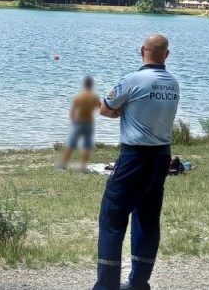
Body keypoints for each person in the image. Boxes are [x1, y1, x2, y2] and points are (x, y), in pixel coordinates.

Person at [93, 34, 180, 290]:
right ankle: (139, 282)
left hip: (134, 157)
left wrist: (121, 109)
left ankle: (107, 285)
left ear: (142, 51)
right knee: (147, 219)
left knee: (112, 218)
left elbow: (105, 108)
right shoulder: (172, 83)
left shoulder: (132, 80)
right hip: (162, 156)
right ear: (167, 54)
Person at [57, 76, 100, 171]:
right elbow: (100, 108)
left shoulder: (79, 97)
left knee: (71, 144)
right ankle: (83, 166)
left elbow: (72, 111)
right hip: (89, 122)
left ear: (84, 85)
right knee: (87, 145)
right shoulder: (94, 97)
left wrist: (73, 121)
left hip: (79, 122)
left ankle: (63, 164)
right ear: (92, 85)